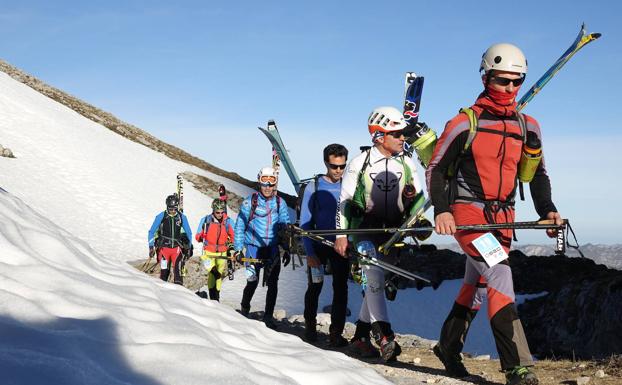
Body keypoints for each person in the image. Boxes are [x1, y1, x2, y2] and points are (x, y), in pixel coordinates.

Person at [426, 43, 562, 385]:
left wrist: (547, 210)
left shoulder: (528, 126)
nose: (511, 89)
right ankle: (517, 366)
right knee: (500, 273)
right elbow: (437, 169)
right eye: (503, 81)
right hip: (468, 213)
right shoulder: (464, 123)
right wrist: (443, 211)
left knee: (479, 283)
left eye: (517, 82)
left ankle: (447, 347)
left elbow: (537, 174)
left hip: (503, 219)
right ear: (486, 77)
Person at [334, 106, 424, 363]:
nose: (402, 138)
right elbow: (345, 200)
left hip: (392, 232)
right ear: (379, 136)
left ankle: (360, 336)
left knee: (378, 281)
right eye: (396, 134)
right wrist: (341, 235)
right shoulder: (359, 163)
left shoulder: (406, 162)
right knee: (372, 276)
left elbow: (418, 199)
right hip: (363, 229)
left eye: (402, 133)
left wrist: (417, 219)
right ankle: (385, 336)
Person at [300, 143, 350, 346]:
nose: (338, 170)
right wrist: (309, 253)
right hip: (318, 244)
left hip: (342, 245)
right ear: (325, 164)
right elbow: (305, 221)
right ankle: (310, 327)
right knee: (315, 287)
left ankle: (336, 333)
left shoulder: (349, 185)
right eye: (334, 166)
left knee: (341, 288)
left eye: (342, 166)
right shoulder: (313, 186)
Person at [234, 166, 291, 329]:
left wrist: (286, 248)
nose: (267, 186)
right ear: (259, 182)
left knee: (273, 283)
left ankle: (268, 316)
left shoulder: (280, 203)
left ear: (275, 184)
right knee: (252, 281)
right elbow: (240, 225)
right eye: (264, 182)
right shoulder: (249, 202)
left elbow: (284, 226)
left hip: (272, 249)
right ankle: (245, 308)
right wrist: (238, 249)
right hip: (252, 247)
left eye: (271, 182)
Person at [195, 199, 235, 301]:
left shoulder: (228, 221)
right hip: (209, 251)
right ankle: (212, 295)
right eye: (218, 212)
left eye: (222, 212)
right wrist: (201, 236)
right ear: (213, 210)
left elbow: (234, 236)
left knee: (219, 275)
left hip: (222, 251)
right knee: (213, 272)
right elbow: (197, 235)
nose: (220, 214)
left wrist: (232, 246)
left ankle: (216, 297)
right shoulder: (206, 220)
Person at [148, 194, 193, 285]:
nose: (172, 211)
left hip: (176, 249)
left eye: (175, 209)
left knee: (178, 275)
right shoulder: (161, 216)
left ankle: (180, 296)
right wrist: (151, 247)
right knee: (164, 274)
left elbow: (189, 233)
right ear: (167, 207)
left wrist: (189, 247)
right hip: (163, 249)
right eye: (170, 209)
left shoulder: (181, 217)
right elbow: (151, 232)